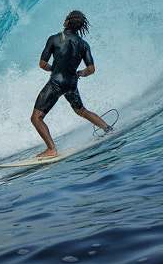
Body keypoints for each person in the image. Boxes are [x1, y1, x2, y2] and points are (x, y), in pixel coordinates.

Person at [30, 10, 112, 157]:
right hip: (71, 84)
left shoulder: (54, 39)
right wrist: (79, 73)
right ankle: (107, 129)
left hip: (56, 83)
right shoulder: (83, 44)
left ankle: (51, 149)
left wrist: (53, 70)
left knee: (36, 118)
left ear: (68, 21)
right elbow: (91, 69)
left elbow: (42, 64)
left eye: (67, 17)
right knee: (81, 111)